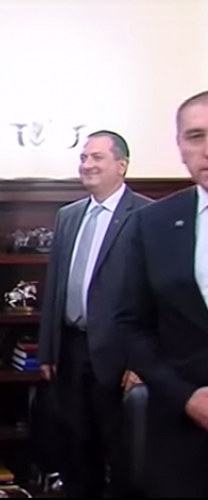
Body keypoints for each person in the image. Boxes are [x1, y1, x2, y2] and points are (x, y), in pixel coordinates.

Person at [36, 130, 150, 497]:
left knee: (121, 453)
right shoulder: (68, 216)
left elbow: (155, 296)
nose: (87, 165)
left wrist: (141, 363)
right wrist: (48, 350)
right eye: (83, 157)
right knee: (75, 450)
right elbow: (55, 286)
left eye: (97, 157)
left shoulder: (147, 215)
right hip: (71, 351)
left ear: (122, 165)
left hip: (119, 357)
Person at [113, 90, 208, 497]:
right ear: (180, 146)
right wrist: (186, 397)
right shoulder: (153, 223)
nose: (207, 149)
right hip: (182, 436)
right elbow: (131, 325)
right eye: (196, 136)